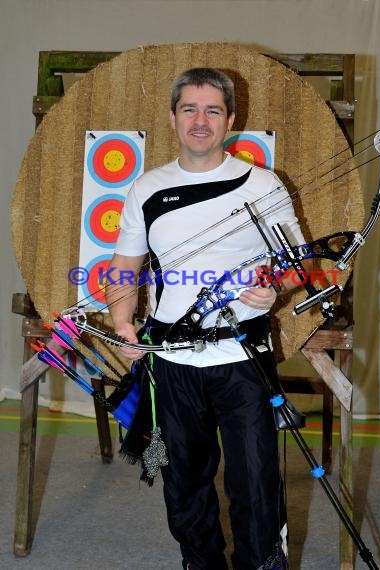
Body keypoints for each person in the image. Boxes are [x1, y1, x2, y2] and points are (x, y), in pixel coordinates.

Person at [106, 68, 308, 570]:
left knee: (256, 480)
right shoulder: (147, 188)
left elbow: (297, 264)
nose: (201, 121)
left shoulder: (262, 184)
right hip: (172, 364)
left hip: (244, 359)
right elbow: (126, 267)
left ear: (231, 120)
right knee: (183, 482)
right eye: (190, 109)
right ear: (172, 117)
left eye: (212, 110)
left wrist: (275, 288)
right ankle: (200, 563)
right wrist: (123, 321)